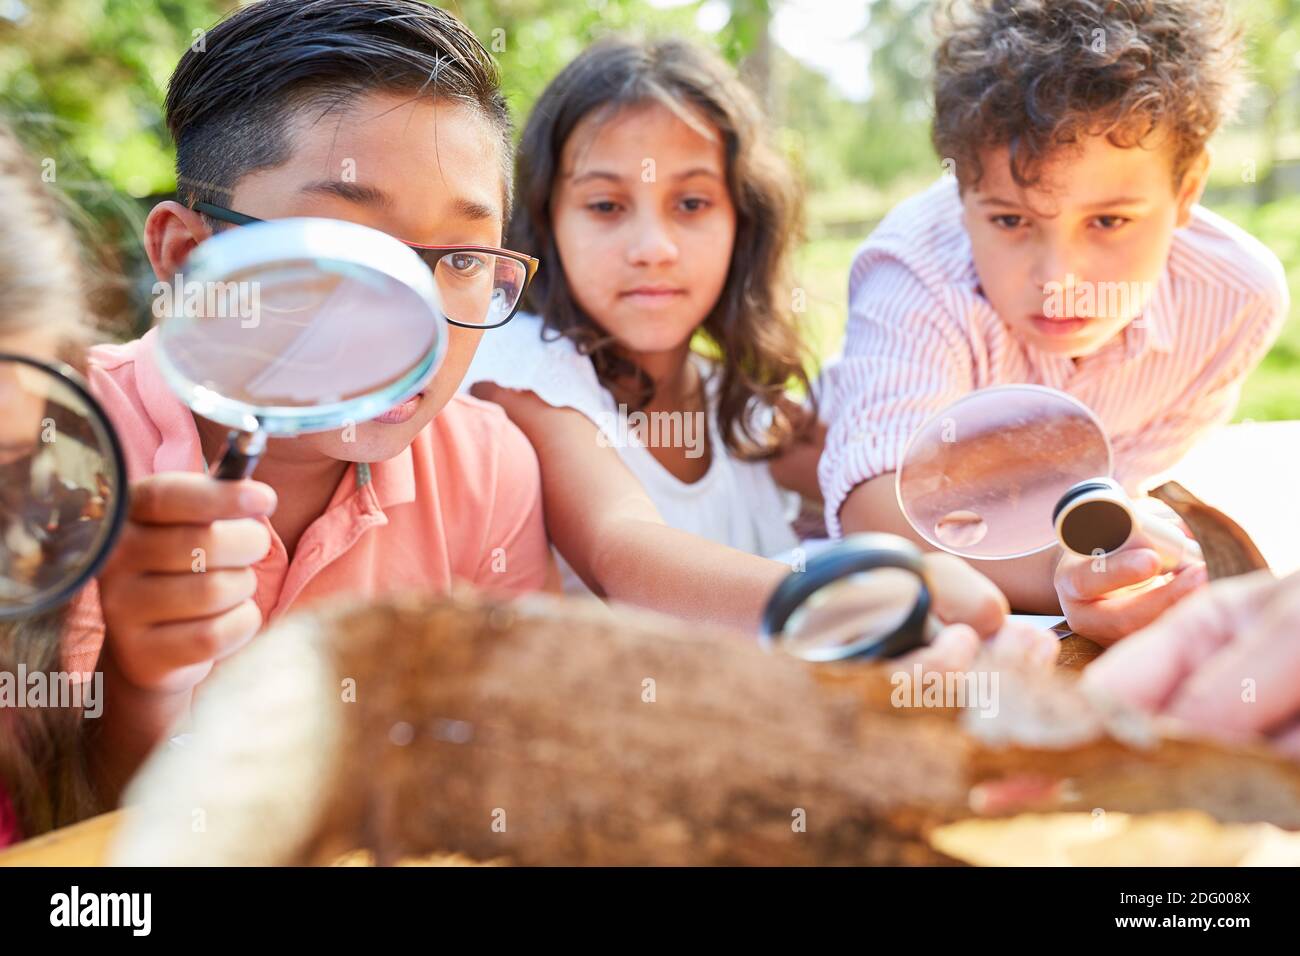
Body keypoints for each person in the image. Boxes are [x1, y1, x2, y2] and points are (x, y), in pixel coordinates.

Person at [820, 0, 1288, 644]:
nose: (1059, 280)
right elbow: (876, 511)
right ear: (962, 197)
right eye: (1011, 221)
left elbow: (1118, 484)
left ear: (1185, 194)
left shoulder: (1234, 301)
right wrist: (1069, 566)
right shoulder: (915, 272)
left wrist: (1100, 555)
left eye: (1108, 221)